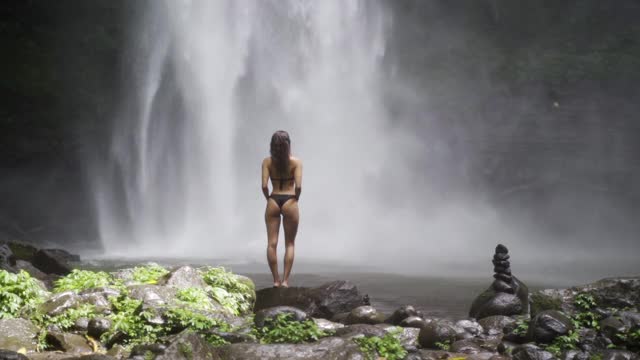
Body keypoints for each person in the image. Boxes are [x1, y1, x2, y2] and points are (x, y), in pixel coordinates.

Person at [261, 130, 302, 288]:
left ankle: (275, 280)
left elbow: (264, 185)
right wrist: (295, 198)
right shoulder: (296, 162)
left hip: (273, 199)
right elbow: (298, 186)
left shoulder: (267, 162)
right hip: (290, 200)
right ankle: (285, 281)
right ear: (288, 145)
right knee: (290, 243)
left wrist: (269, 198)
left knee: (272, 244)